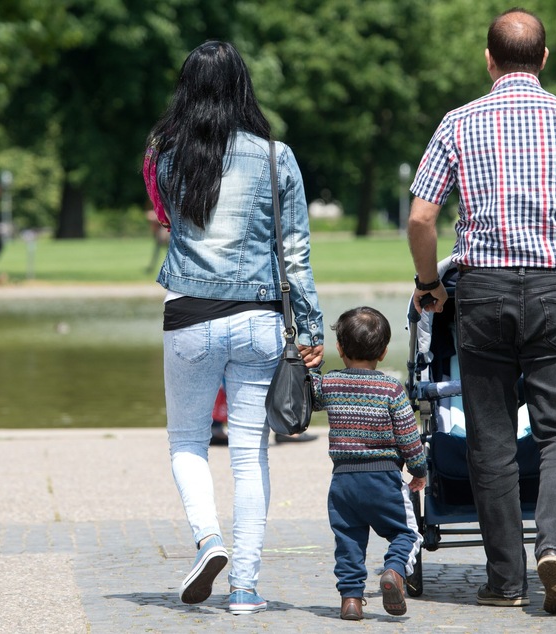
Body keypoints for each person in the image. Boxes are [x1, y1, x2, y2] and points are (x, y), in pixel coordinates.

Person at [407, 9, 556, 615]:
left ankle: (505, 580)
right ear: (545, 58)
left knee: (492, 438)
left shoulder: (459, 122)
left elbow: (422, 217)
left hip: (484, 291)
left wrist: (430, 284)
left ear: (489, 58)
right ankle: (555, 547)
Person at [143, 40, 324, 616]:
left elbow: (167, 219)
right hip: (259, 319)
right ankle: (245, 587)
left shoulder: (166, 155)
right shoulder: (277, 156)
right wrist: (312, 327)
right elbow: (295, 253)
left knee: (186, 442)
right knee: (250, 454)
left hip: (190, 315)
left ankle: (208, 540)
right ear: (244, 86)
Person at [310, 307, 426, 620]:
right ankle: (394, 571)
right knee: (407, 534)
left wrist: (312, 368)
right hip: (384, 478)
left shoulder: (331, 384)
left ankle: (350, 600)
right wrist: (419, 470)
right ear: (385, 350)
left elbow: (312, 394)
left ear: (340, 348)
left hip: (343, 482)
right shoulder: (392, 390)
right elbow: (408, 439)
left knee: (348, 541)